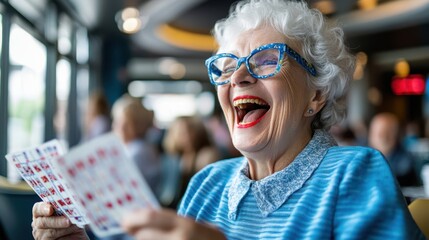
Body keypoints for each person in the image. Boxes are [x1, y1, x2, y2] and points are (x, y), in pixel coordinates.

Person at [31, 1, 424, 239]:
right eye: (227, 66)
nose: (237, 77)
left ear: (317, 94)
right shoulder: (207, 183)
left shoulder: (354, 175)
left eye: (267, 59)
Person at [161, 116, 220, 208]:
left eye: (190, 131)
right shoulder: (174, 158)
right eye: (181, 133)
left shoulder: (207, 155)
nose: (187, 136)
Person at [110, 94, 161, 194]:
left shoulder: (138, 152)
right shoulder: (143, 147)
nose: (113, 126)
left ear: (132, 125)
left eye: (118, 121)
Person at [368, 112, 420, 187]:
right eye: (377, 132)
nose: (382, 136)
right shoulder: (364, 156)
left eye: (387, 132)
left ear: (397, 134)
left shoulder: (405, 159)